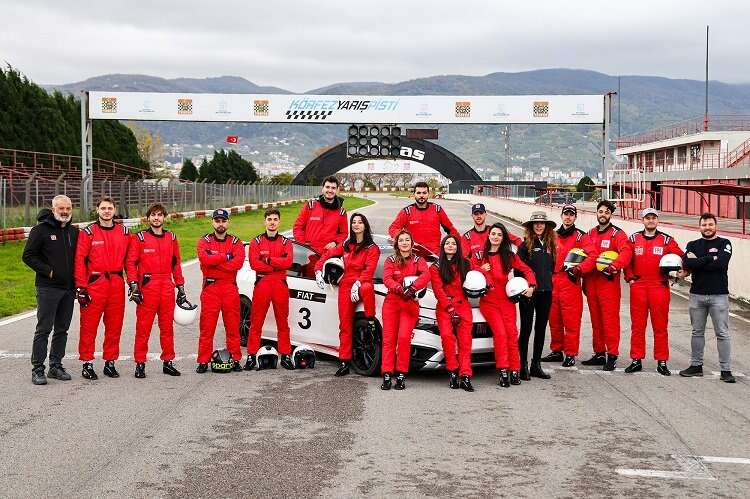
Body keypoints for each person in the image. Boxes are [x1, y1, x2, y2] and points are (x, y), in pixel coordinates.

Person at [125, 203, 188, 379]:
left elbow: (176, 264)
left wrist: (181, 287)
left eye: (159, 215)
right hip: (148, 288)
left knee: (167, 328)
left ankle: (168, 362)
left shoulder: (171, 237)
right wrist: (134, 286)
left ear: (164, 218)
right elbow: (130, 263)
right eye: (153, 215)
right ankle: (140, 364)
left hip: (167, 287)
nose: (156, 218)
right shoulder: (139, 238)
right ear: (148, 218)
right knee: (143, 328)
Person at [22, 195, 79, 385]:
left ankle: (55, 366)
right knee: (44, 329)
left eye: (68, 208)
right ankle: (38, 369)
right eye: (61, 208)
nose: (65, 212)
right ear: (53, 209)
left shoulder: (73, 231)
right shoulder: (40, 230)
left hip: (68, 289)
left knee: (62, 329)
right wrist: (49, 271)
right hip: (48, 288)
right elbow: (28, 256)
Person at [315, 213, 380, 376]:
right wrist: (318, 270)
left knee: (367, 287)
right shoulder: (346, 245)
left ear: (365, 226)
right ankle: (344, 361)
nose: (356, 225)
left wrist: (358, 283)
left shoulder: (372, 248)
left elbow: (369, 270)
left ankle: (371, 322)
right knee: (344, 325)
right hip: (345, 286)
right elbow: (327, 255)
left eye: (360, 222)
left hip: (362, 283)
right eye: (354, 222)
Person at [471, 223, 535, 387]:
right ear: (488, 235)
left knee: (512, 334)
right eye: (493, 234)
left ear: (503, 238)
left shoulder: (509, 255)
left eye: (499, 234)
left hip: (506, 300)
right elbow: (467, 268)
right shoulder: (480, 255)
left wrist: (531, 286)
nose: (496, 237)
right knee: (500, 334)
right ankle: (503, 370)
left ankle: (515, 369)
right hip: (489, 301)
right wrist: (480, 269)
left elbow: (527, 270)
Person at [75, 196, 131, 380]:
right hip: (94, 283)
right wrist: (81, 287)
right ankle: (87, 363)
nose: (107, 211)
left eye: (110, 208)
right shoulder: (88, 232)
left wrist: (133, 283)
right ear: (97, 210)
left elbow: (130, 261)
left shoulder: (124, 232)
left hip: (116, 283)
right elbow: (79, 261)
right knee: (89, 326)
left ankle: (110, 362)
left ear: (114, 210)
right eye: (103, 208)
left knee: (115, 326)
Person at [624, 208, 684, 376]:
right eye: (647, 218)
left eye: (653, 218)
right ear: (642, 220)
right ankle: (636, 360)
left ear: (657, 220)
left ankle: (662, 361)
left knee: (660, 327)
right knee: (637, 326)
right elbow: (626, 260)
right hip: (639, 287)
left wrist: (682, 269)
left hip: (659, 287)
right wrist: (630, 278)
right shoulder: (633, 239)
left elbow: (681, 255)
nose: (650, 220)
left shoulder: (666, 240)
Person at [679, 213, 735, 383]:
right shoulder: (692, 244)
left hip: (719, 295)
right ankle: (696, 366)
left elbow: (722, 263)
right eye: (704, 225)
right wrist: (711, 259)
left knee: (722, 333)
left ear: (715, 226)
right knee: (697, 332)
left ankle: (726, 370)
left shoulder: (725, 243)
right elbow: (688, 263)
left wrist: (700, 261)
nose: (707, 227)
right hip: (697, 295)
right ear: (700, 227)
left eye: (710, 224)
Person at [541, 204, 596, 367]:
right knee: (554, 320)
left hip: (570, 281)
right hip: (553, 281)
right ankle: (557, 351)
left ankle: (571, 354)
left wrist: (579, 269)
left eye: (571, 214)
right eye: (566, 214)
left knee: (571, 321)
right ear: (561, 216)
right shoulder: (552, 235)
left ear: (575, 217)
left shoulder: (581, 236)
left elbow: (593, 256)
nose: (568, 217)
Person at [581, 200, 633, 371]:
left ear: (611, 215)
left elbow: (626, 253)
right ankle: (599, 353)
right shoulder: (590, 233)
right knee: (596, 321)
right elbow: (583, 254)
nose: (603, 215)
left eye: (606, 212)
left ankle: (612, 355)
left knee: (610, 321)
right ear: (596, 213)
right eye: (600, 211)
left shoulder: (618, 234)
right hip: (591, 282)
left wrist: (615, 266)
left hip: (608, 284)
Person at [196, 209, 245, 373]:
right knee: (207, 327)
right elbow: (205, 260)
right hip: (211, 288)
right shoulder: (204, 241)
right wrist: (227, 256)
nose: (220, 224)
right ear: (212, 222)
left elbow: (237, 264)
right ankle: (203, 360)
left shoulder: (236, 242)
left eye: (223, 221)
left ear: (228, 222)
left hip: (229, 287)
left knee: (232, 326)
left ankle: (235, 358)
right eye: (217, 221)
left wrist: (215, 260)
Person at [245, 208, 295, 371]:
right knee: (256, 321)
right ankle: (251, 356)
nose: (272, 222)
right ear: (265, 221)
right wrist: (276, 264)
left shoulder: (286, 242)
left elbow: (288, 262)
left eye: (275, 219)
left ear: (279, 222)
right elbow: (254, 264)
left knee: (283, 322)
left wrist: (267, 260)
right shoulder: (256, 242)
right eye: (269, 219)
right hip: (262, 283)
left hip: (280, 284)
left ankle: (285, 355)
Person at [380, 229, 430, 390]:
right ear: (397, 243)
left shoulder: (418, 260)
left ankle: (401, 374)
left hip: (410, 304)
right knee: (389, 340)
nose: (404, 242)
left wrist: (413, 288)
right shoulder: (390, 260)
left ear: (412, 243)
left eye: (407, 239)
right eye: (401, 240)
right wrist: (400, 288)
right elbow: (387, 279)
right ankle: (387, 373)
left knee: (403, 339)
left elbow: (426, 275)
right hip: (392, 303)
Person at [430, 234, 475, 392]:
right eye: (447, 243)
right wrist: (449, 308)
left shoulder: (466, 263)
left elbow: (477, 276)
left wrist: (486, 283)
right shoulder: (435, 267)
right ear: (443, 246)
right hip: (445, 307)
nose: (450, 246)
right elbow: (438, 290)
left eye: (454, 244)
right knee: (447, 338)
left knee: (465, 342)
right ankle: (453, 371)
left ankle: (465, 375)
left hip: (463, 306)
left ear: (458, 247)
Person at [517, 211, 556, 380]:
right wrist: (527, 287)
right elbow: (518, 270)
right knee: (526, 329)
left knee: (540, 329)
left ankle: (536, 365)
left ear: (546, 226)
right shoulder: (524, 246)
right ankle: (522, 365)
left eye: (542, 223)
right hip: (529, 293)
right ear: (531, 226)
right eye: (536, 223)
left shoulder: (550, 245)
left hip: (546, 292)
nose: (539, 225)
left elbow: (551, 268)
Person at [388, 181, 459, 255]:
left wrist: (461, 247)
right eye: (418, 193)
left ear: (428, 194)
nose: (421, 195)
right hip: (413, 254)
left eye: (424, 193)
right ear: (414, 194)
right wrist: (403, 238)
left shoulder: (437, 209)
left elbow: (451, 229)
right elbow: (393, 228)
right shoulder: (407, 211)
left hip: (434, 254)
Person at [292, 175, 348, 254]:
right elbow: (298, 227)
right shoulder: (310, 206)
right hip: (309, 252)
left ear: (337, 190)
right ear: (322, 189)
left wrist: (335, 242)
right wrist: (303, 246)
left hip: (328, 254)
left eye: (333, 188)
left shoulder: (341, 212)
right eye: (327, 187)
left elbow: (344, 233)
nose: (330, 190)